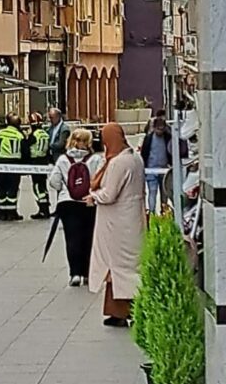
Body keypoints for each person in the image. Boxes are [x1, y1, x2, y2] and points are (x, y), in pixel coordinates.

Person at [84, 123, 145, 327]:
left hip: (117, 222)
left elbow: (110, 194)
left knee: (118, 266)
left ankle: (129, 311)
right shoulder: (135, 158)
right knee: (129, 265)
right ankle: (120, 311)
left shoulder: (119, 163)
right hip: (132, 218)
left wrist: (94, 196)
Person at [49, 128, 97, 286]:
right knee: (88, 238)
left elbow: (54, 181)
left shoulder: (63, 159)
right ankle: (87, 274)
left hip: (68, 203)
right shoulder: (95, 159)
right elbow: (100, 179)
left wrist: (64, 190)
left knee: (72, 239)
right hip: (88, 203)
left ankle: (75, 274)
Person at [140, 115, 188, 214]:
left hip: (165, 170)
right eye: (158, 129)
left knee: (164, 194)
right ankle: (152, 213)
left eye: (162, 129)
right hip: (151, 170)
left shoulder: (167, 137)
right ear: (154, 128)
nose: (160, 131)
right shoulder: (148, 139)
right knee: (152, 193)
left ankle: (164, 213)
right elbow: (144, 153)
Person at [0, 113, 27, 221]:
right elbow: (25, 151)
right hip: (14, 164)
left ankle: (2, 213)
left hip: (0, 163)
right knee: (12, 189)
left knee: (1, 188)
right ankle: (12, 213)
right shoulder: (19, 135)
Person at [26, 112, 51, 219]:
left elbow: (27, 147)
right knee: (43, 185)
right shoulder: (45, 134)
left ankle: (42, 209)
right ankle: (46, 208)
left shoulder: (33, 135)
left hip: (35, 161)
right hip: (44, 162)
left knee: (37, 186)